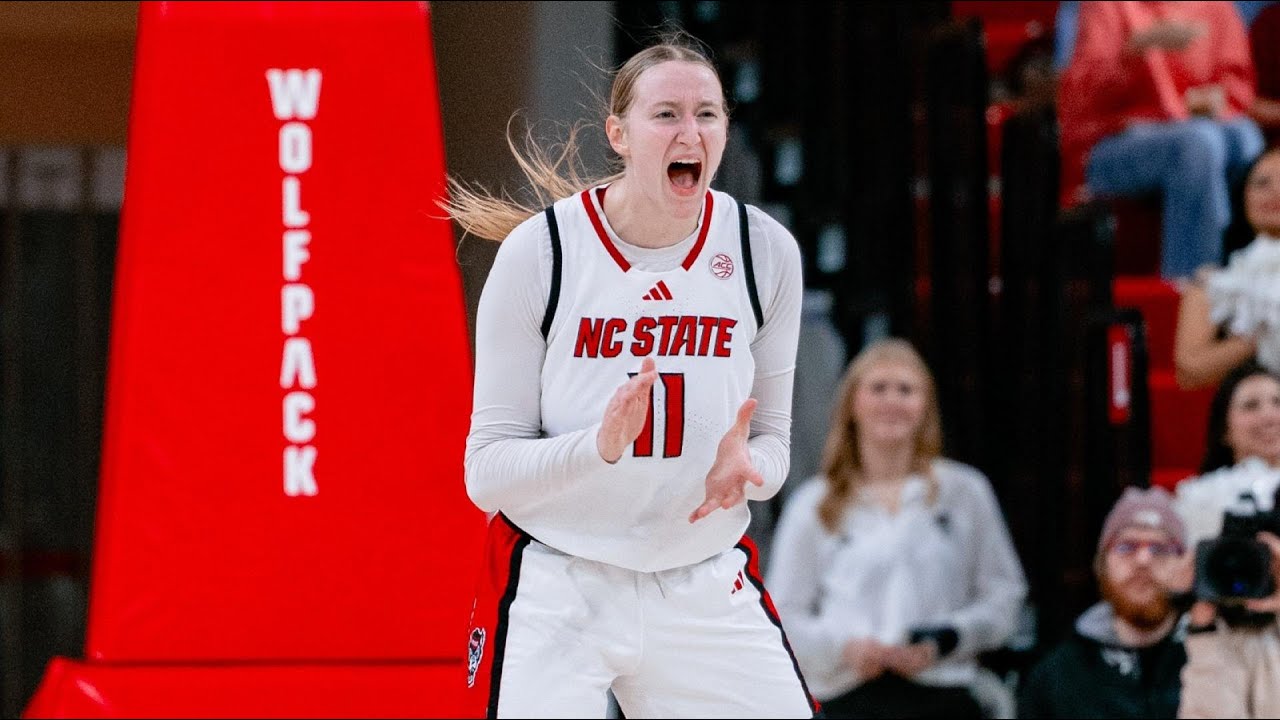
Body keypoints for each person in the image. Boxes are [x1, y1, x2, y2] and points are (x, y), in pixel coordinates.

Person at [444, 35, 815, 718]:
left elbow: (774, 447)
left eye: (707, 114)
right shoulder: (543, 253)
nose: (690, 131)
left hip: (700, 577)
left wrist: (750, 467)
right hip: (558, 578)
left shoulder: (765, 252)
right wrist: (598, 448)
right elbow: (485, 474)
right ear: (618, 133)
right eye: (666, 114)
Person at [765, 338, 1027, 719]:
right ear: (853, 403)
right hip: (845, 695)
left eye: (906, 390)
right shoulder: (814, 503)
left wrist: (948, 638)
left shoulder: (966, 492)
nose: (892, 401)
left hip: (943, 691)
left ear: (925, 407)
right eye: (878, 388)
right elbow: (781, 613)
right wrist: (844, 647)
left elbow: (1005, 597)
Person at [1057, 1, 1264, 281]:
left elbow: (1237, 87)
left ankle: (1255, 278)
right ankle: (1188, 288)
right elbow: (1080, 100)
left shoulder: (1216, 7)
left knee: (1247, 136)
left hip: (1194, 127)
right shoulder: (1107, 6)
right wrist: (1133, 50)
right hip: (1111, 141)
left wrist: (1214, 101)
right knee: (1197, 144)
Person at [1017, 486, 1189, 719]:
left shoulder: (1209, 660)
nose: (1143, 560)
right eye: (1126, 546)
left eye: (1160, 549)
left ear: (1185, 566)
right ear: (1101, 565)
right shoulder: (1056, 678)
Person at [1170, 362, 1280, 717]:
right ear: (1224, 430)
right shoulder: (1193, 501)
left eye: (1279, 402)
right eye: (1251, 405)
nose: (1269, 416)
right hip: (1214, 647)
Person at [1174, 148, 1280, 390]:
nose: (1275, 191)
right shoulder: (1213, 279)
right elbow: (1189, 370)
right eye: (1262, 183)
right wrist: (1259, 334)